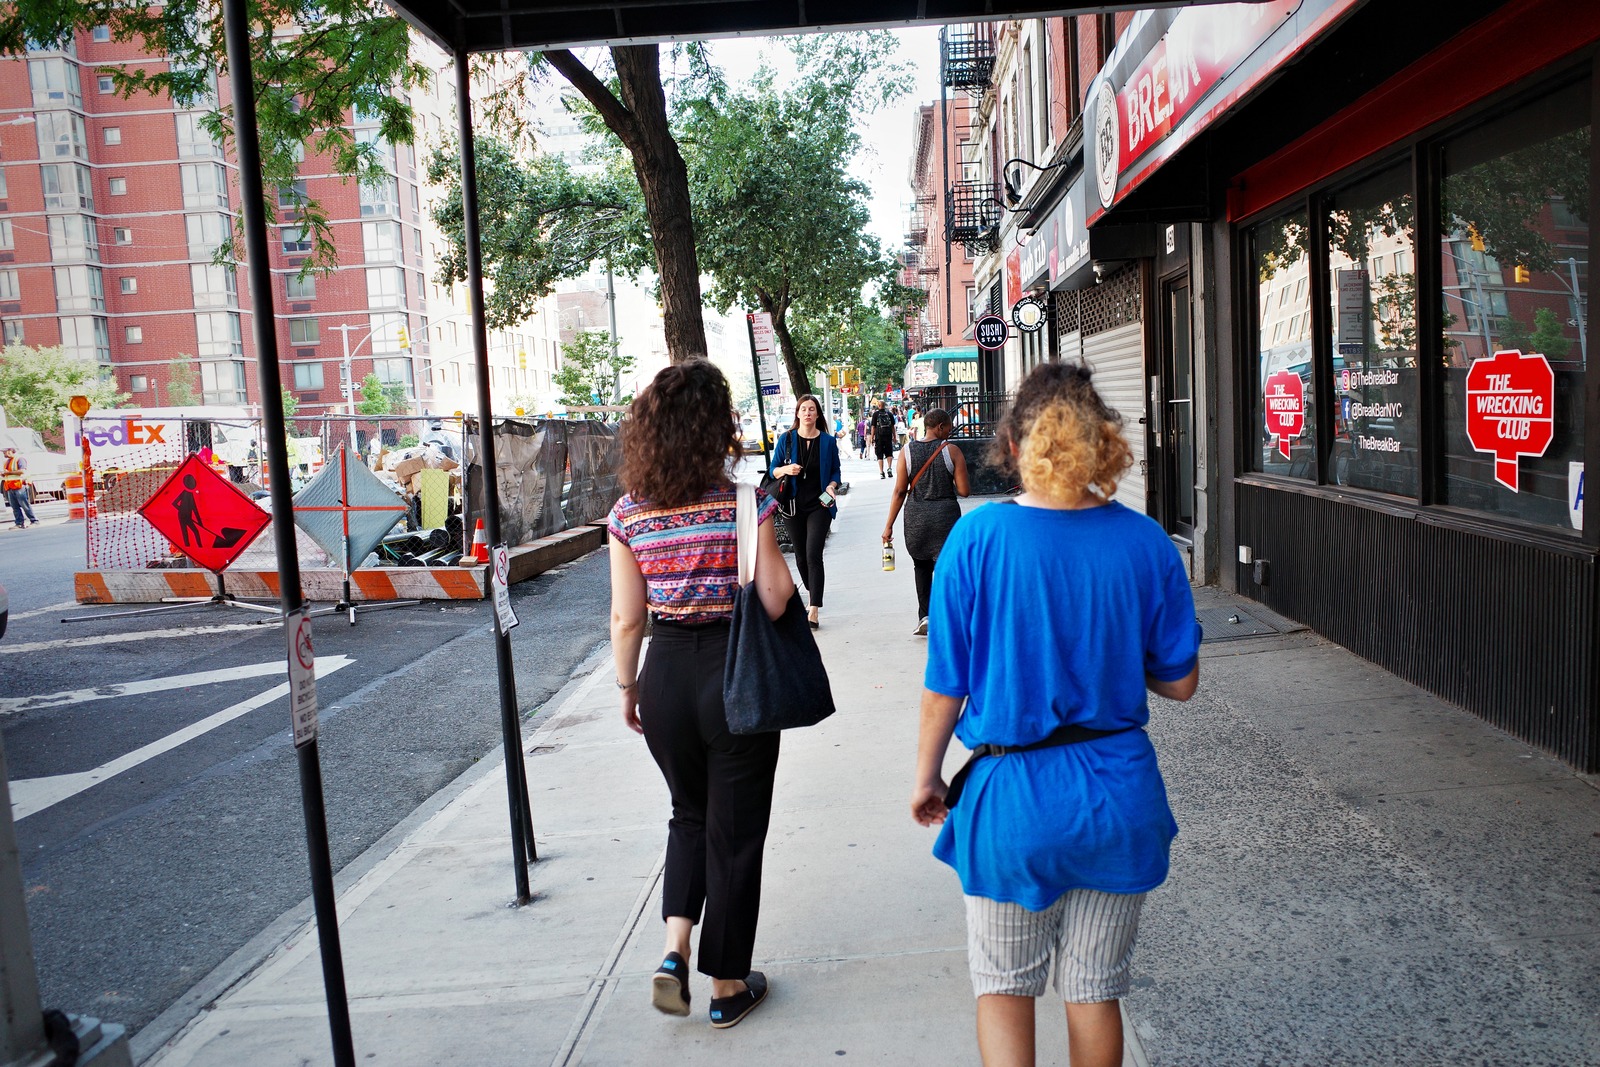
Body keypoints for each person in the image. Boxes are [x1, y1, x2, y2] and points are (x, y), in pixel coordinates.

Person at [910, 363, 1201, 1067]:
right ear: (1103, 441)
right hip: (1116, 795)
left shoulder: (975, 543)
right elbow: (1181, 681)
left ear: (1011, 443)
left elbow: (946, 683)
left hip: (1012, 801)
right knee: (1094, 991)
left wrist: (926, 774)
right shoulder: (1146, 541)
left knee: (1005, 988)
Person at [607, 359, 797, 1030]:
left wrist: (629, 688)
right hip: (734, 674)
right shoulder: (745, 499)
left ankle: (672, 950)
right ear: (717, 424)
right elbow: (774, 596)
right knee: (736, 832)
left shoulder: (629, 511)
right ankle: (724, 983)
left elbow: (627, 617)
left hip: (663, 673)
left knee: (688, 812)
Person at [881, 408, 969, 635]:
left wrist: (889, 524)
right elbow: (964, 490)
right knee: (946, 568)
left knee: (921, 566)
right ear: (940, 427)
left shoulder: (907, 452)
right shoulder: (952, 451)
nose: (950, 431)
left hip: (916, 517)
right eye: (948, 427)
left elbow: (900, 491)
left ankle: (925, 616)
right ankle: (949, 617)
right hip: (945, 517)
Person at [770, 394, 842, 629]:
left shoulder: (828, 442)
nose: (808, 413)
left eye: (812, 409)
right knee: (801, 556)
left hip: (820, 505)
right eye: (804, 409)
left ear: (818, 414)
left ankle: (813, 609)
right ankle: (814, 587)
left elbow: (835, 473)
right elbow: (773, 471)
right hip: (792, 506)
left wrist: (832, 487)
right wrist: (786, 469)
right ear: (798, 413)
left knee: (813, 554)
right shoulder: (787, 439)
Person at [3, 447, 38, 529]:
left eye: (4, 452)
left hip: (19, 485)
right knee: (14, 507)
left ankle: (34, 521)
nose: (4, 454)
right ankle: (19, 523)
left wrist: (8, 473)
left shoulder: (19, 459)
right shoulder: (7, 461)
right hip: (10, 486)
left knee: (24, 505)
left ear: (10, 451)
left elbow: (22, 471)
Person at [869, 399, 896, 478]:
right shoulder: (889, 414)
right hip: (888, 436)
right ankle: (889, 468)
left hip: (879, 437)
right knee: (889, 453)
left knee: (879, 454)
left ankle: (881, 472)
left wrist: (872, 437)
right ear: (885, 406)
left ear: (879, 406)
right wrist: (894, 436)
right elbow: (892, 427)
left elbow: (873, 427)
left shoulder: (875, 414)